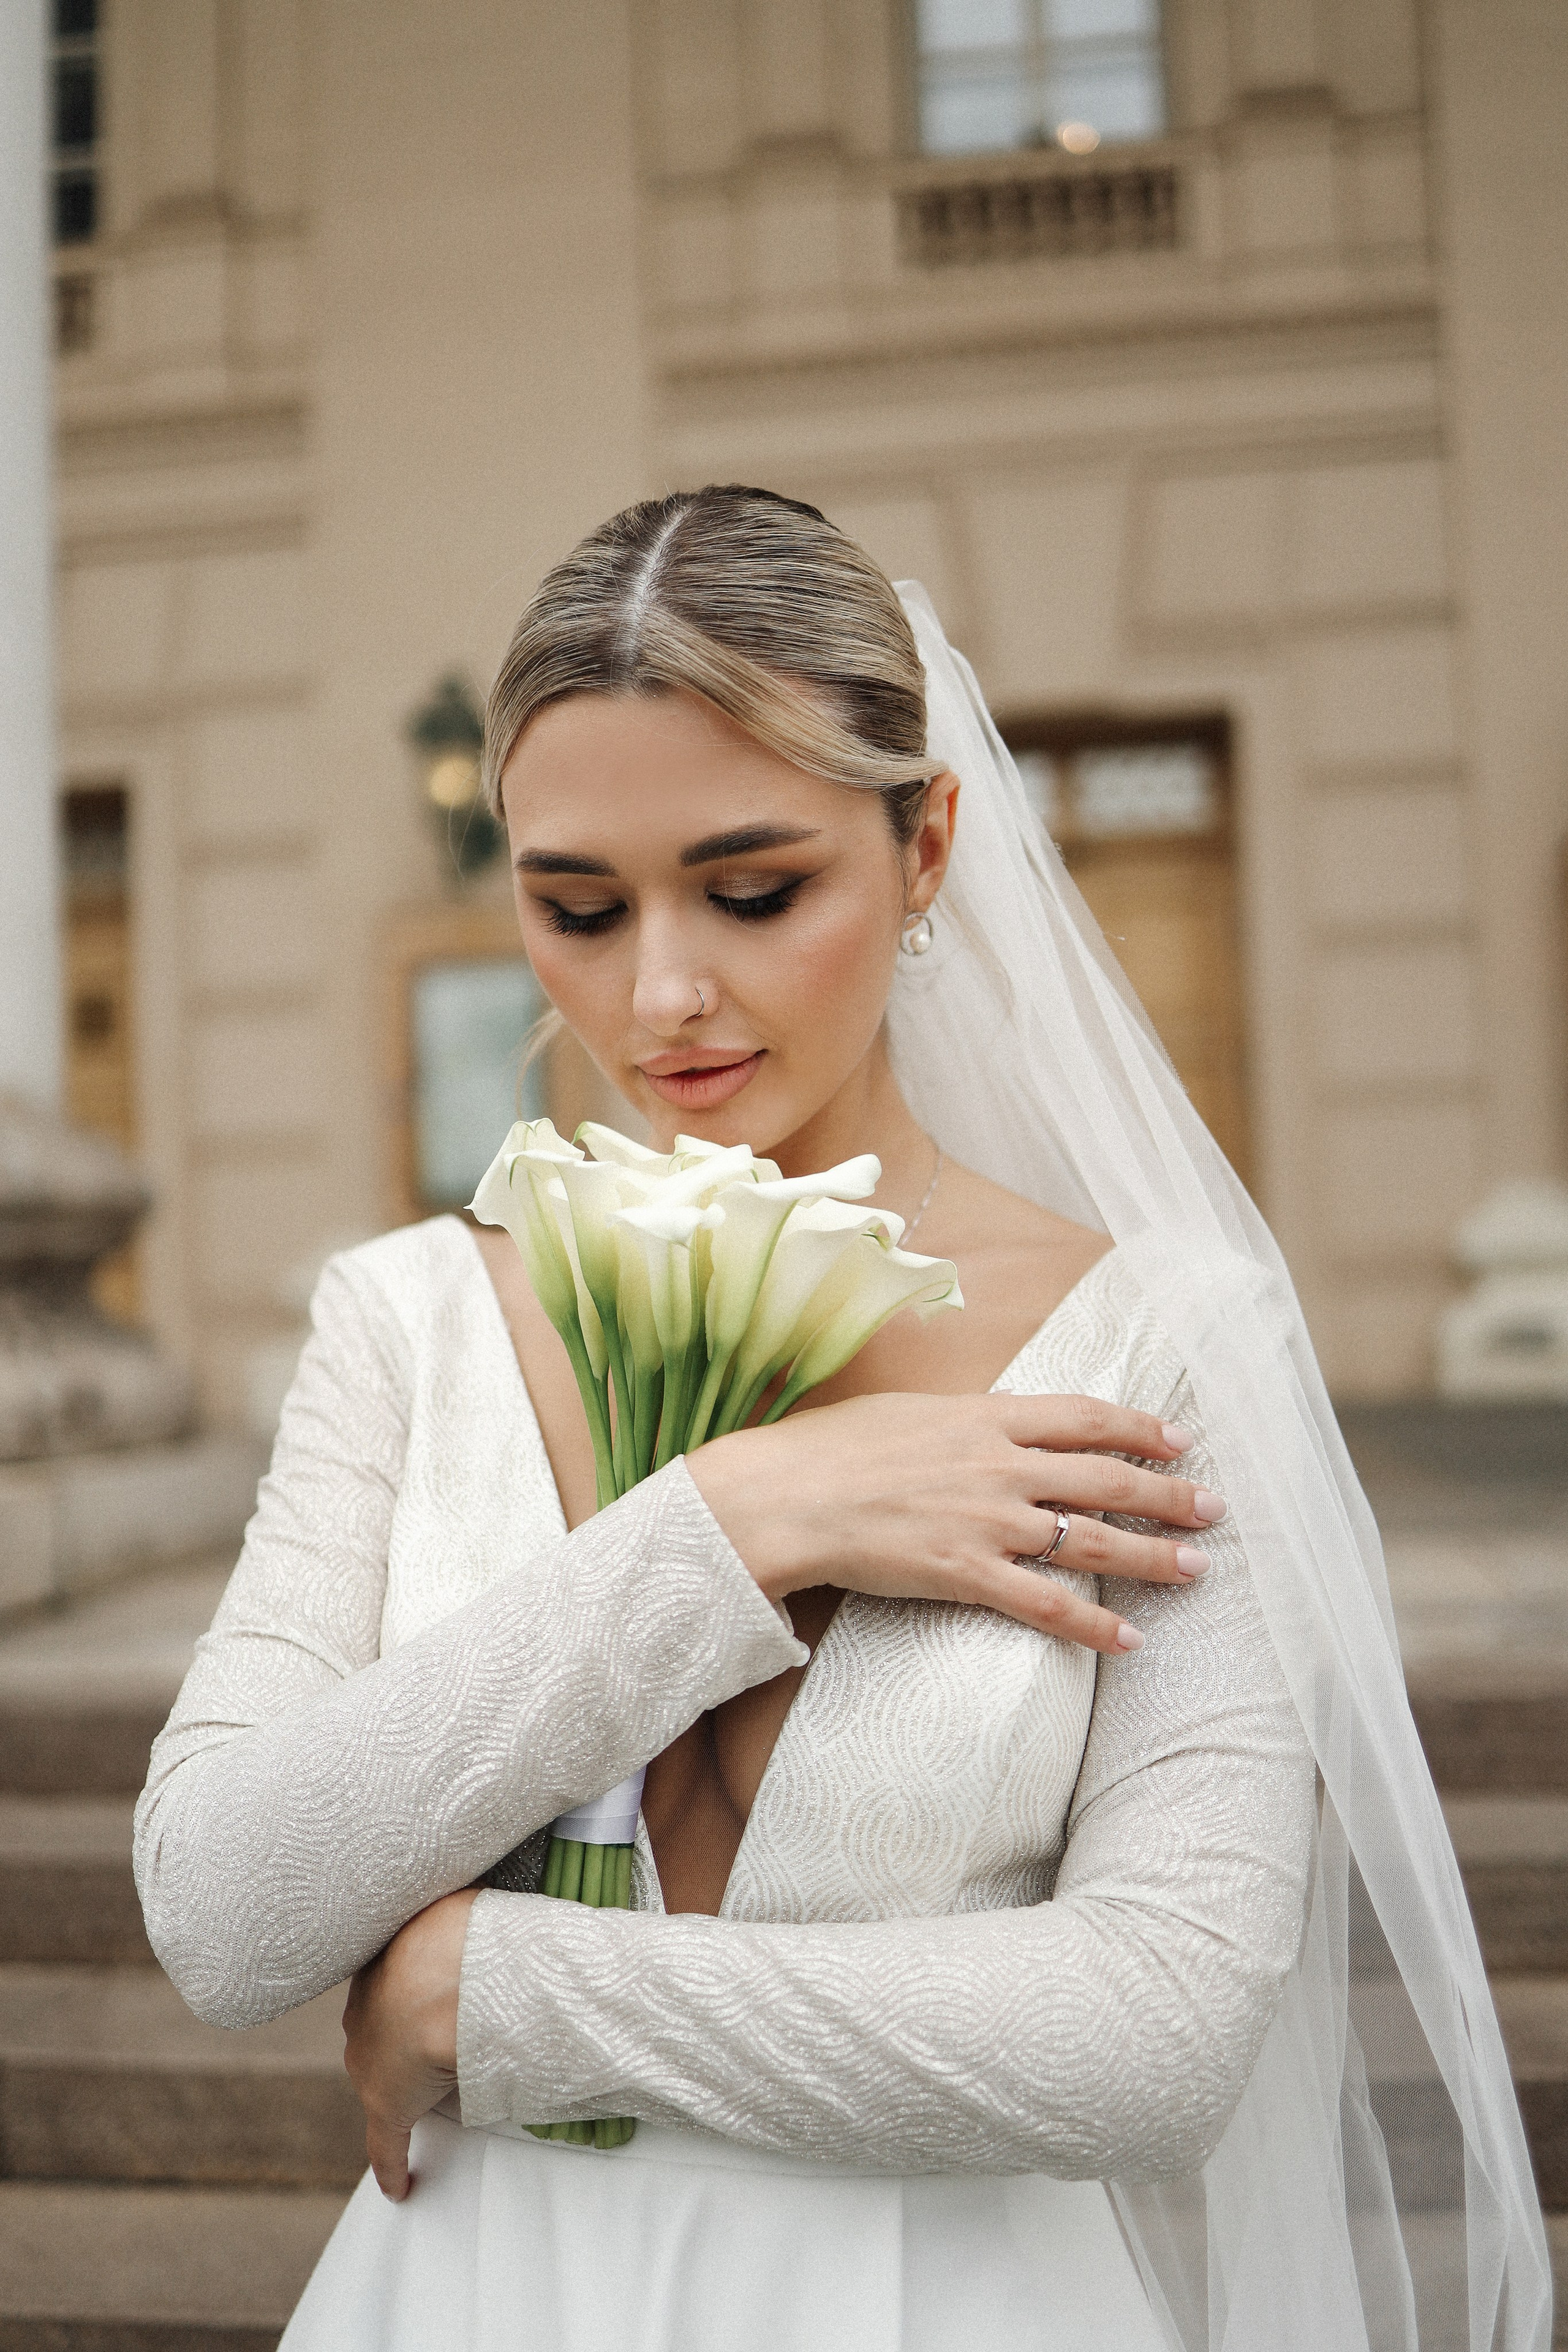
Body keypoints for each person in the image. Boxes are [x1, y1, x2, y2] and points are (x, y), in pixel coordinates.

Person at [134, 487, 1549, 2351]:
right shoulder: (410, 1319)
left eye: (754, 891)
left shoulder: (1169, 1343)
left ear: (929, 843)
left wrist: (506, 1991)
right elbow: (225, 1904)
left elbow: (1165, 2026)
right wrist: (735, 1519)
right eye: (574, 907)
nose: (660, 997)